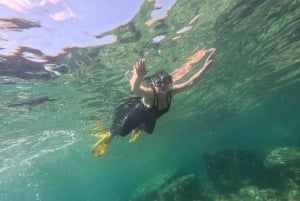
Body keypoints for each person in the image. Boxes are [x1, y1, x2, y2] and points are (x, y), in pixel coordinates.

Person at [92, 48, 216, 157]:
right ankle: (110, 134)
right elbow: (135, 89)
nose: (163, 85)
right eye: (158, 83)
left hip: (150, 117)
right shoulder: (150, 94)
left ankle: (139, 127)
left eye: (167, 80)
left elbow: (191, 82)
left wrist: (205, 67)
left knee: (149, 131)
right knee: (123, 133)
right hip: (136, 115)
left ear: (171, 82)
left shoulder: (171, 92)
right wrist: (138, 76)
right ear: (153, 85)